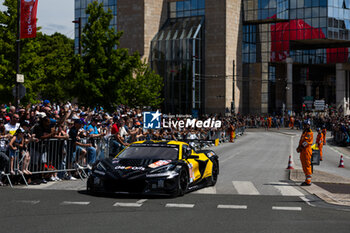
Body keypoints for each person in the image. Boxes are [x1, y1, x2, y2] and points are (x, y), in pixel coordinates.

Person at [296, 120, 313, 186]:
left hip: (306, 151)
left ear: (308, 125)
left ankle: (308, 181)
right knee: (304, 165)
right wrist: (299, 147)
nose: (304, 126)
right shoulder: (305, 132)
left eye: (306, 125)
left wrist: (300, 148)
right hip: (303, 151)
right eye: (304, 125)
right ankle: (307, 179)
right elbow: (301, 141)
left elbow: (306, 142)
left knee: (307, 165)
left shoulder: (309, 133)